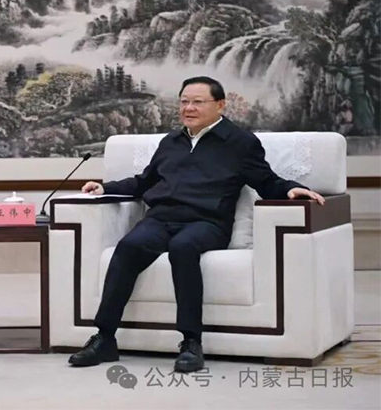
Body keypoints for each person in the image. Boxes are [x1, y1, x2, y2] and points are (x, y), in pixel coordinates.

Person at [70, 76, 325, 372]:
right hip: (162, 218)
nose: (188, 108)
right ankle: (104, 338)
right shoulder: (172, 141)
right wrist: (106, 188)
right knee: (128, 247)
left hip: (208, 222)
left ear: (220, 105)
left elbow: (267, 181)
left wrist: (291, 189)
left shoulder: (240, 143)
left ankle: (191, 342)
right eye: (184, 102)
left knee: (183, 248)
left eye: (197, 102)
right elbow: (144, 182)